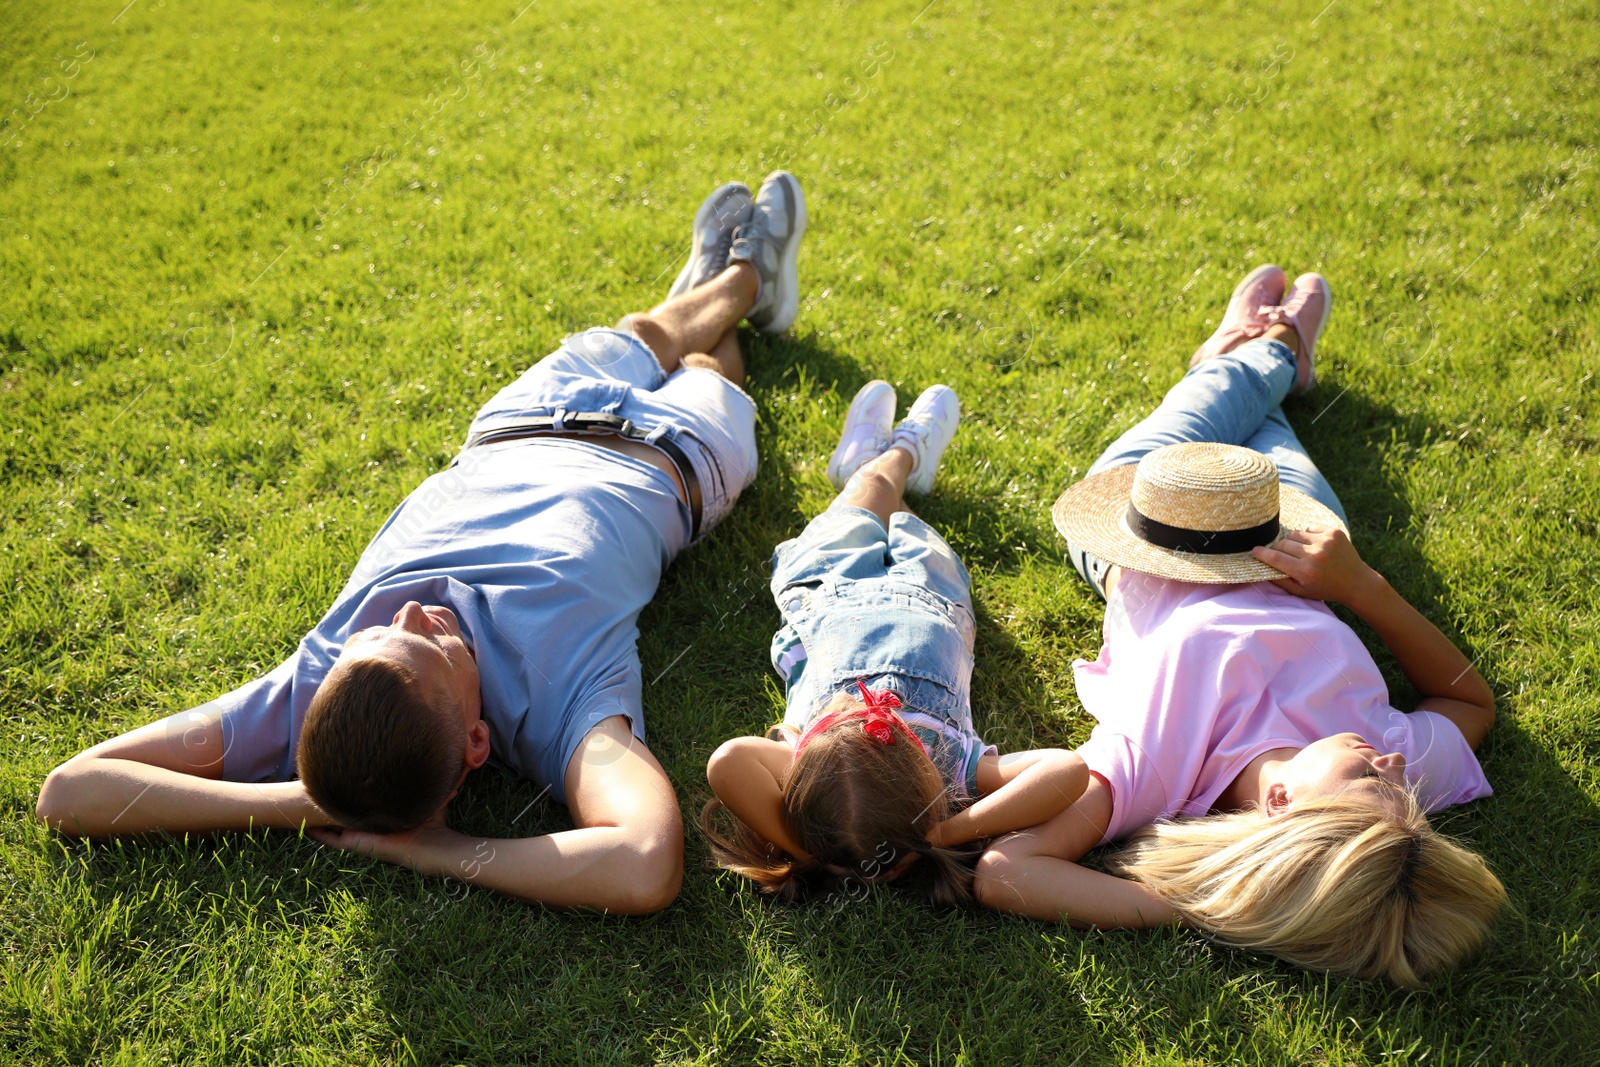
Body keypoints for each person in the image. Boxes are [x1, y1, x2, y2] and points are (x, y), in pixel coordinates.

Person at [35, 172, 809, 915]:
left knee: (646, 334)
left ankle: (717, 290)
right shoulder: (560, 700)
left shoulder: (323, 679)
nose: (408, 615)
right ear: (477, 740)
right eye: (431, 645)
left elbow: (69, 788)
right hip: (673, 452)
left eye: (379, 637)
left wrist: (296, 800)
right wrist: (429, 849)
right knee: (709, 365)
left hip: (523, 421)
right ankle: (743, 277)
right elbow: (644, 861)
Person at [972, 265, 1506, 985]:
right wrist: (1362, 586)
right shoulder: (1387, 757)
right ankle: (1264, 358)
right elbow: (1472, 702)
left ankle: (1267, 347)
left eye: (1373, 778)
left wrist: (1207, 906)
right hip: (1298, 535)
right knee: (1254, 424)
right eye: (1403, 786)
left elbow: (1006, 872)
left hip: (1147, 523)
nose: (1398, 768)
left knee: (1218, 403)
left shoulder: (1158, 767)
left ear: (1283, 805)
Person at [702, 380, 1089, 904]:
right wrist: (949, 831)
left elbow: (726, 762)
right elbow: (1070, 771)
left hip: (828, 588)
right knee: (903, 515)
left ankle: (893, 455)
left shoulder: (812, 758)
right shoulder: (955, 767)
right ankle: (895, 456)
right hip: (932, 593)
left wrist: (806, 849)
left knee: (872, 492)